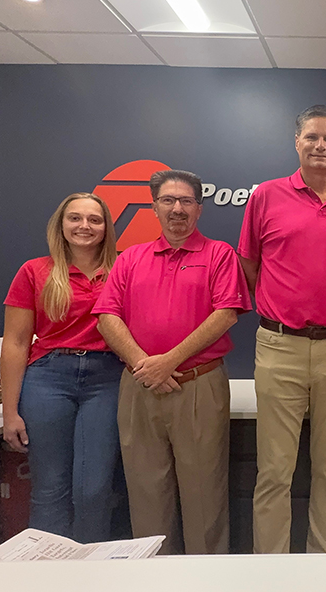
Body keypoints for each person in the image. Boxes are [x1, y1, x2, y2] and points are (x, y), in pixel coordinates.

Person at [238, 105, 326, 554]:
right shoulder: (266, 196)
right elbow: (250, 265)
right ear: (296, 143)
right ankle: (272, 566)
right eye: (312, 137)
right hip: (279, 345)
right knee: (274, 469)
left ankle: (322, 562)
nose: (320, 145)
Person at [94, 169, 251, 555]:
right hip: (139, 387)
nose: (177, 208)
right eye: (168, 200)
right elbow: (107, 317)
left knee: (205, 496)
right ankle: (154, 579)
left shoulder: (219, 254)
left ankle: (207, 579)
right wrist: (144, 364)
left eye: (185, 201)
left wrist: (168, 362)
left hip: (198, 384)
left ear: (199, 208)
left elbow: (226, 314)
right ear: (154, 207)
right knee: (146, 493)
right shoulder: (131, 258)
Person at [1, 192, 123, 542]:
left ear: (106, 228)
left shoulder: (122, 269)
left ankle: (91, 568)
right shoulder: (34, 271)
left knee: (94, 488)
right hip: (48, 379)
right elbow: (16, 343)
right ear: (61, 224)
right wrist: (10, 412)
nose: (84, 226)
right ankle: (49, 568)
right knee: (50, 487)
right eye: (75, 218)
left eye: (94, 220)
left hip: (107, 379)